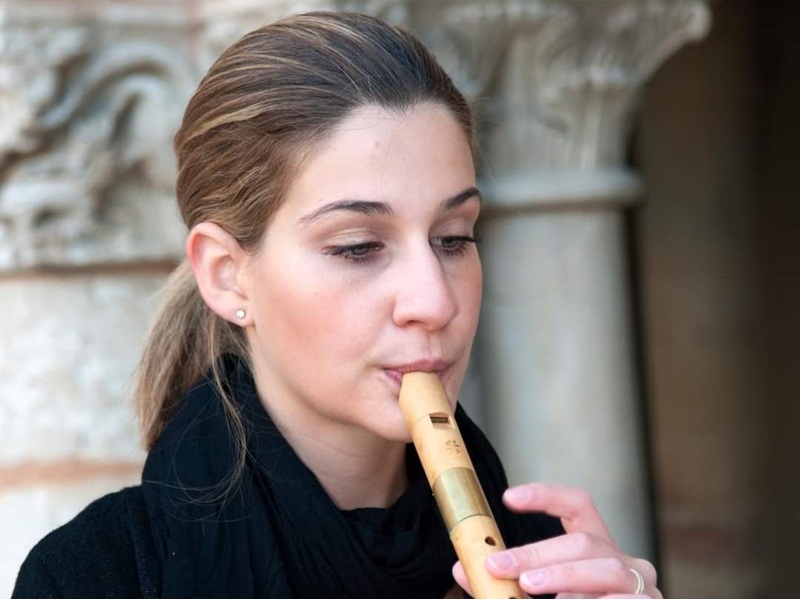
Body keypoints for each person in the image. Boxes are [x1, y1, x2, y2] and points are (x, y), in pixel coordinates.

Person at [12, 11, 659, 599]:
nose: (434, 301)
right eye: (357, 247)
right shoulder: (95, 576)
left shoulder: (550, 562)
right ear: (227, 276)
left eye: (454, 238)